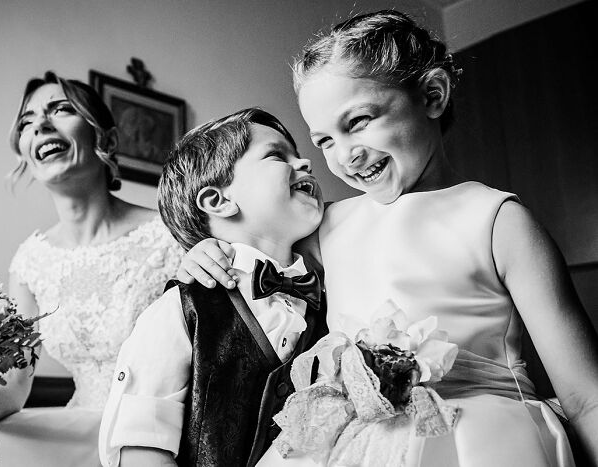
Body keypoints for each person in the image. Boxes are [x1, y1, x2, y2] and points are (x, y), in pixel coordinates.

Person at [176, 11, 598, 467]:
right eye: (324, 141)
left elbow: (584, 396)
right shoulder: (328, 227)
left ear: (432, 96)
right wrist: (206, 248)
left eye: (357, 121)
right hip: (350, 445)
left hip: (476, 440)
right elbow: (261, 256)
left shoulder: (497, 220)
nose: (345, 155)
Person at [0, 71, 183, 467]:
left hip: (160, 429)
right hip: (82, 427)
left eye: (61, 110)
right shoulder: (31, 261)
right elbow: (17, 383)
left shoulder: (171, 235)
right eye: (26, 123)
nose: (40, 125)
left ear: (108, 140)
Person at [98, 108, 328, 467]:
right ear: (218, 201)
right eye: (276, 155)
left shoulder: (327, 295)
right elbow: (142, 447)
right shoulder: (181, 309)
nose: (306, 163)